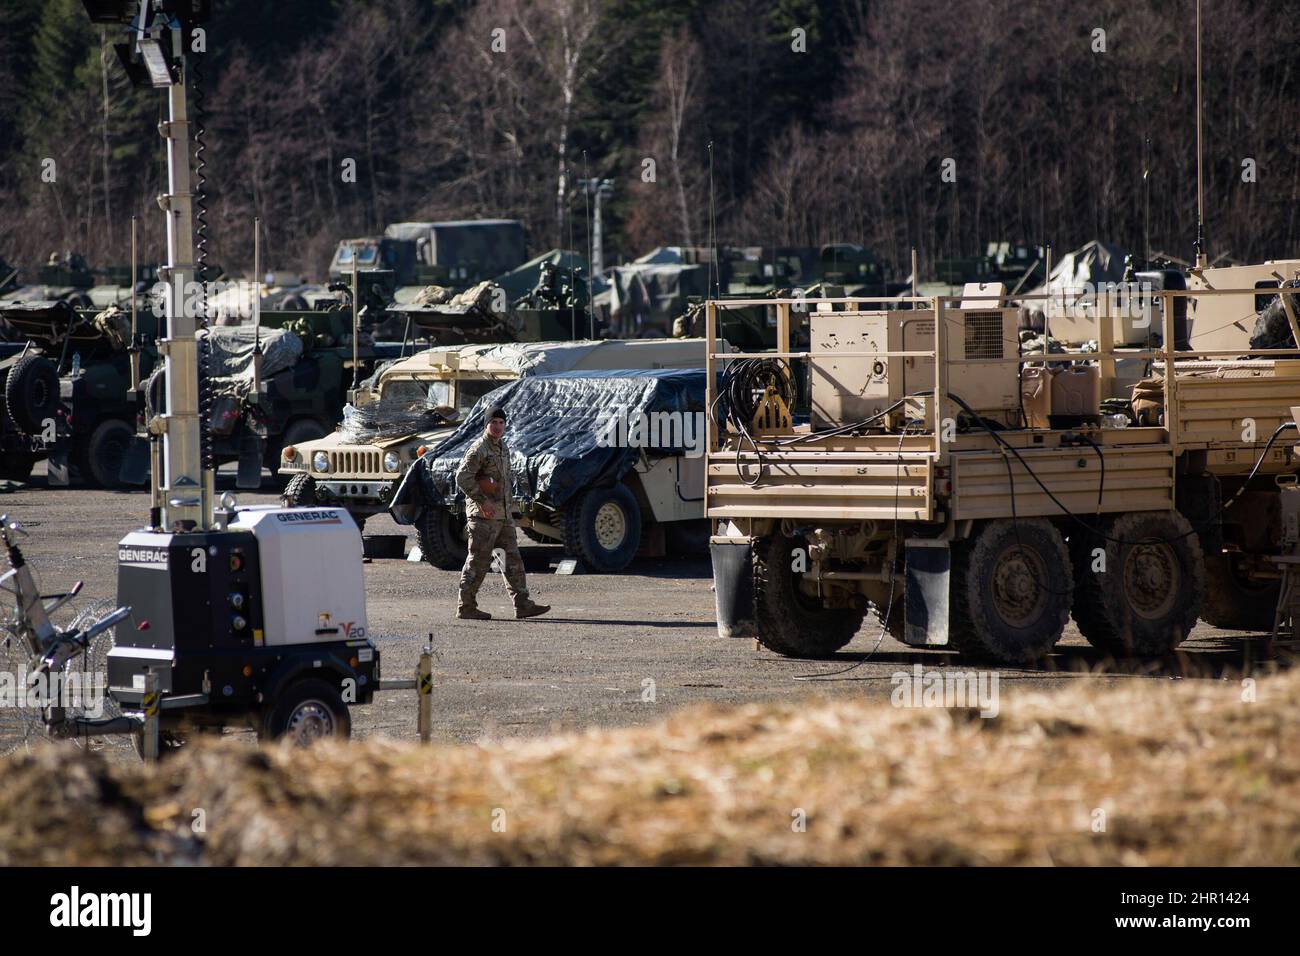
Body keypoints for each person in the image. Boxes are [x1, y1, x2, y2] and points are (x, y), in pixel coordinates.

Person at [453, 406, 550, 621]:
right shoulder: (479, 449)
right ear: (486, 425)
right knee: (478, 561)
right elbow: (462, 477)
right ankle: (466, 606)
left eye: (501, 423)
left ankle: (522, 604)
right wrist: (482, 500)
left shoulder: (502, 447)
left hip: (503, 516)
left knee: (512, 560)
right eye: (493, 422)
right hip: (483, 517)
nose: (497, 427)